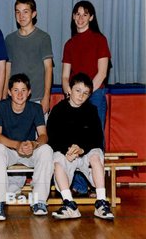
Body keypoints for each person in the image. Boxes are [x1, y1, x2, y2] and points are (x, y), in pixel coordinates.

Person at [4, 0, 54, 194]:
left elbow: (48, 68)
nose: (21, 15)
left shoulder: (43, 38)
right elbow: (7, 69)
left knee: (38, 145)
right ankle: (16, 182)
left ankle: (39, 186)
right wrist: (2, 96)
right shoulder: (9, 39)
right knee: (16, 143)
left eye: (26, 11)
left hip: (36, 99)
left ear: (34, 14)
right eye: (18, 11)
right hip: (14, 100)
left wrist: (46, 96)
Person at [47, 73, 114, 220]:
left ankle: (101, 202)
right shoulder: (58, 109)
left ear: (89, 95)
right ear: (69, 90)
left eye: (85, 93)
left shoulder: (91, 110)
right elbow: (52, 136)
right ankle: (69, 204)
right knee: (57, 163)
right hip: (67, 152)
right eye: (77, 91)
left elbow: (97, 138)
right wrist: (67, 150)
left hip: (86, 151)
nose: (81, 96)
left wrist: (82, 149)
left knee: (96, 157)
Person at [0, 73, 53, 221]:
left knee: (47, 150)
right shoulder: (0, 107)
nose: (20, 94)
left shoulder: (35, 108)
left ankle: (39, 201)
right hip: (9, 149)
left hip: (29, 149)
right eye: (16, 90)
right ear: (9, 92)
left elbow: (43, 135)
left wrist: (34, 144)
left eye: (23, 90)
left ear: (29, 93)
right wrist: (16, 145)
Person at [62, 0, 111, 196]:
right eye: (77, 14)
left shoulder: (100, 40)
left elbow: (102, 72)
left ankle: (96, 185)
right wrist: (71, 95)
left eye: (85, 14)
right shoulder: (70, 44)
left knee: (94, 140)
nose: (80, 18)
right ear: (73, 17)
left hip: (95, 95)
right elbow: (65, 76)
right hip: (73, 98)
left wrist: (85, 94)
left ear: (91, 17)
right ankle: (80, 185)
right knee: (75, 139)